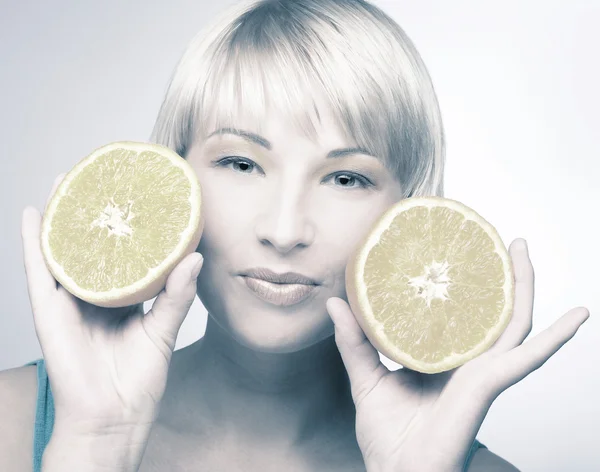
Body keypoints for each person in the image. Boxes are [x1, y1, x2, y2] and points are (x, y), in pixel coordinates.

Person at [0, 0, 590, 471]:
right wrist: (95, 445)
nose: (284, 231)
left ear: (407, 212)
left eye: (345, 177)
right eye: (240, 164)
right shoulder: (16, 422)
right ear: (172, 178)